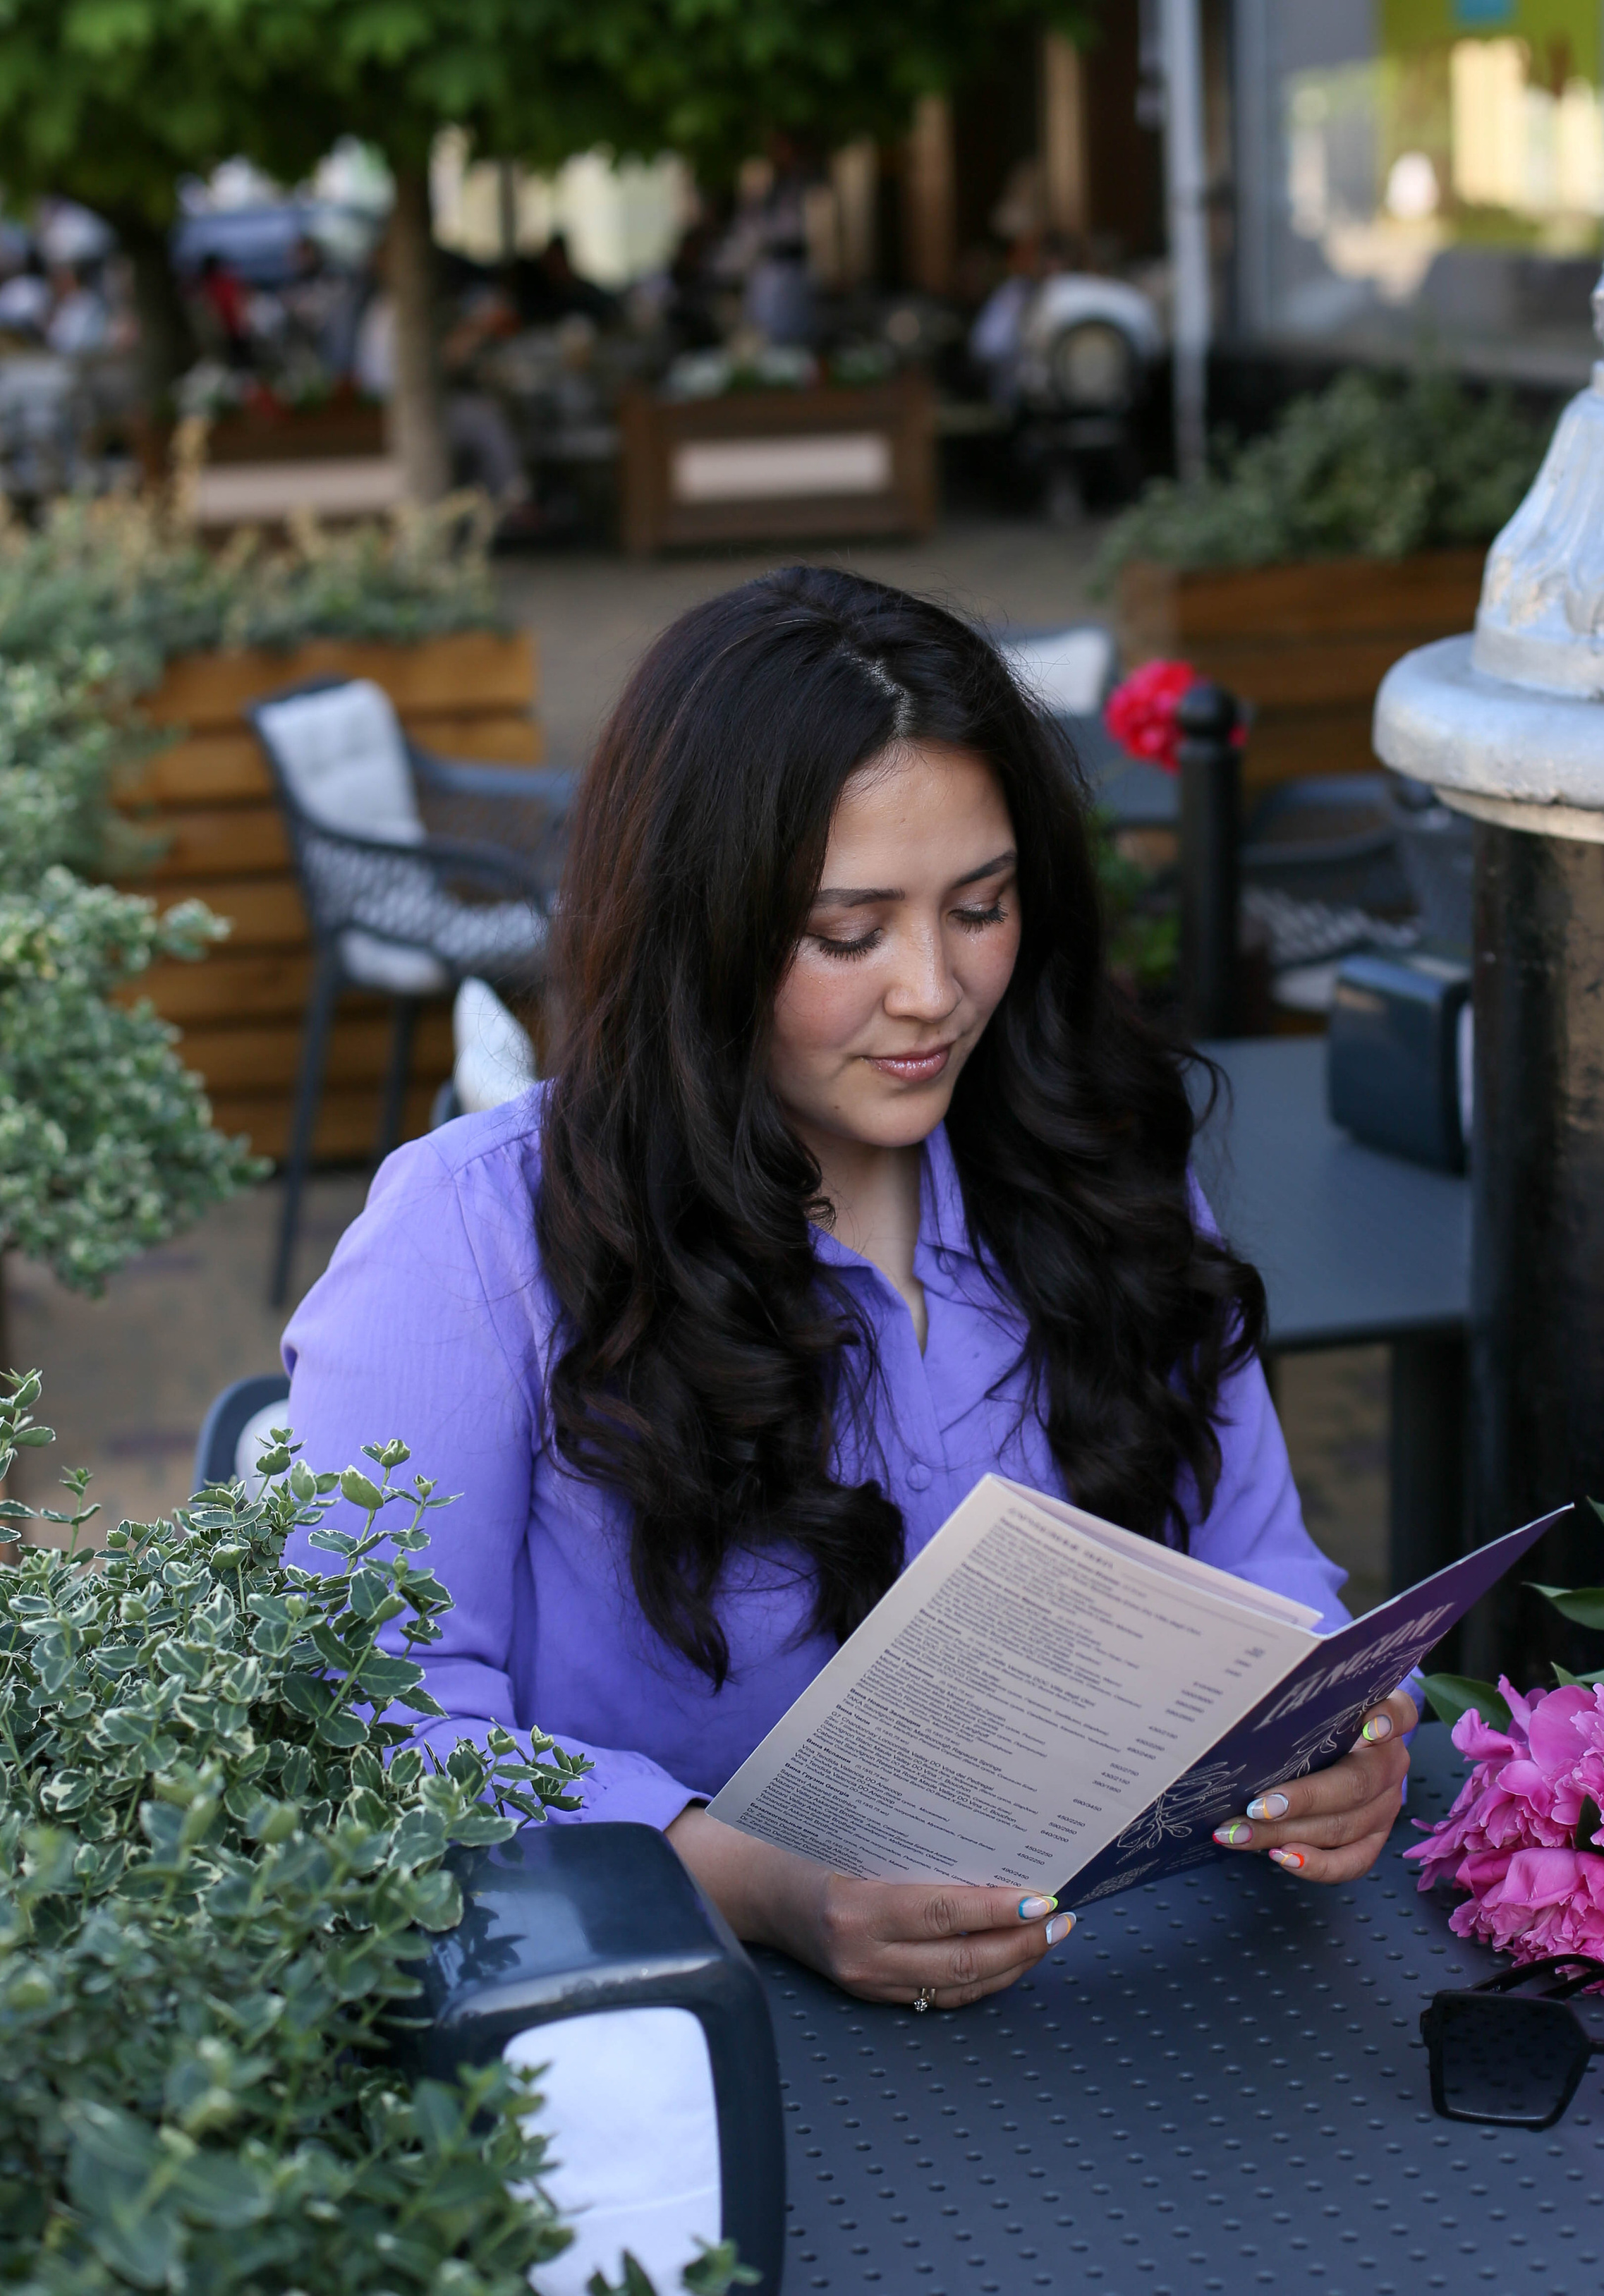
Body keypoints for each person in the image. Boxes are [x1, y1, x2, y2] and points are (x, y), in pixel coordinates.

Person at [285, 569, 1418, 2010]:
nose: (933, 992)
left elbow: (1262, 1569)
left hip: (1121, 2015)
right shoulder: (472, 1239)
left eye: (982, 906)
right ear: (700, 929)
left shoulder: (1094, 1172)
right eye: (847, 934)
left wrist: (1328, 1739)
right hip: (685, 2043)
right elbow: (370, 1716)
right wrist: (758, 1886)